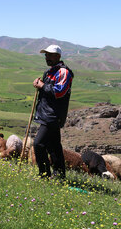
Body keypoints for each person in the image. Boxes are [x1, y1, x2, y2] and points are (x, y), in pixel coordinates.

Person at [32, 45, 74, 179]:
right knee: (54, 146)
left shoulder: (63, 72)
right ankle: (59, 175)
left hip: (53, 115)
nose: (47, 57)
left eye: (49, 55)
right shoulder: (50, 72)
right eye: (46, 55)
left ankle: (44, 175)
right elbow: (46, 90)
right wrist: (39, 84)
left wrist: (43, 86)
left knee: (38, 144)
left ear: (58, 56)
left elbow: (59, 92)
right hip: (48, 113)